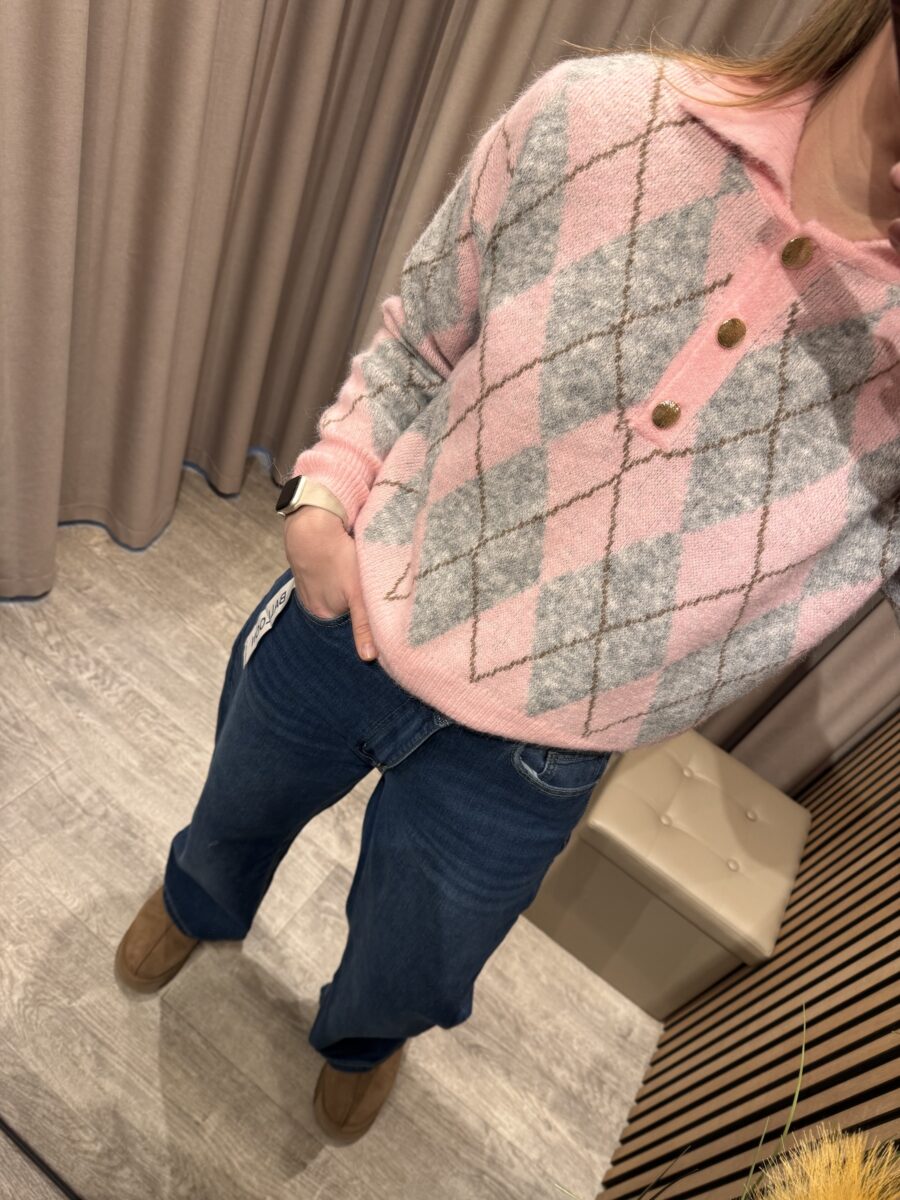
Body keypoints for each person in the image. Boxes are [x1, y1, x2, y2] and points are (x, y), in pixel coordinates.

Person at [115, 0, 900, 1145]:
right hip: (357, 607)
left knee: (419, 957)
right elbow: (420, 337)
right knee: (234, 808)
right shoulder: (604, 115)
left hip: (544, 748)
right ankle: (198, 903)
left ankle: (362, 1040)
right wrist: (324, 499)